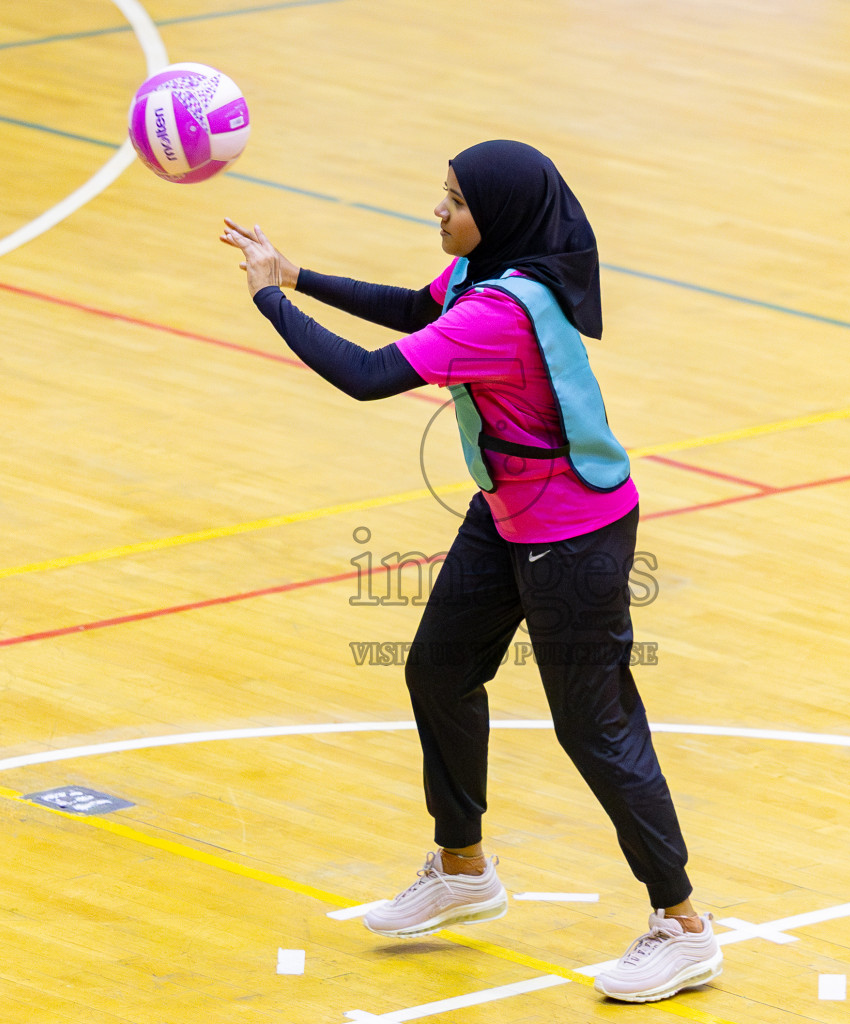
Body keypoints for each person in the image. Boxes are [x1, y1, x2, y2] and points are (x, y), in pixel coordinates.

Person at [220, 140, 722, 1004]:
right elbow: (419, 306)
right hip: (509, 512)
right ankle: (463, 867)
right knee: (440, 670)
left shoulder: (502, 312)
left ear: (500, 215)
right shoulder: (485, 278)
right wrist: (298, 273)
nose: (439, 211)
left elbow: (370, 377)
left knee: (595, 729)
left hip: (575, 535)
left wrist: (268, 300)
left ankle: (683, 925)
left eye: (453, 200)